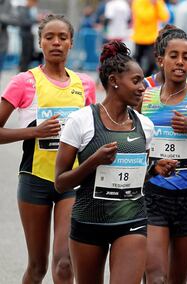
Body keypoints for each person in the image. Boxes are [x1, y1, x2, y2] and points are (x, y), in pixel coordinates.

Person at [55, 40, 177, 284]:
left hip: (131, 221)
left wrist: (153, 170)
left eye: (143, 80)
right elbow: (60, 183)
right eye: (136, 81)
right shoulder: (81, 121)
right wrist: (93, 161)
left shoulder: (145, 125)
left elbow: (130, 177)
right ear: (113, 81)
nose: (143, 87)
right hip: (89, 220)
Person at [0, 14, 96, 283]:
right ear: (40, 42)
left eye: (62, 38)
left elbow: (91, 132)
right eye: (49, 37)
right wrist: (34, 132)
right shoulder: (24, 82)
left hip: (71, 181)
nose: (56, 43)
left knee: (65, 263)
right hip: (35, 180)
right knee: (37, 267)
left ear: (71, 43)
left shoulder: (84, 84)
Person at [138, 28, 187, 283]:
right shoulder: (145, 97)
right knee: (156, 276)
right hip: (153, 194)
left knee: (176, 280)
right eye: (174, 55)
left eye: (186, 57)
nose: (180, 61)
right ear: (161, 59)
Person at [131, 0, 169, 77]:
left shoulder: (157, 2)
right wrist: (152, 6)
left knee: (152, 62)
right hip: (140, 38)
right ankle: (136, 77)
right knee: (136, 61)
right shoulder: (138, 2)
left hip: (152, 38)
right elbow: (144, 17)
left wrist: (156, 5)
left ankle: (145, 78)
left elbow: (164, 17)